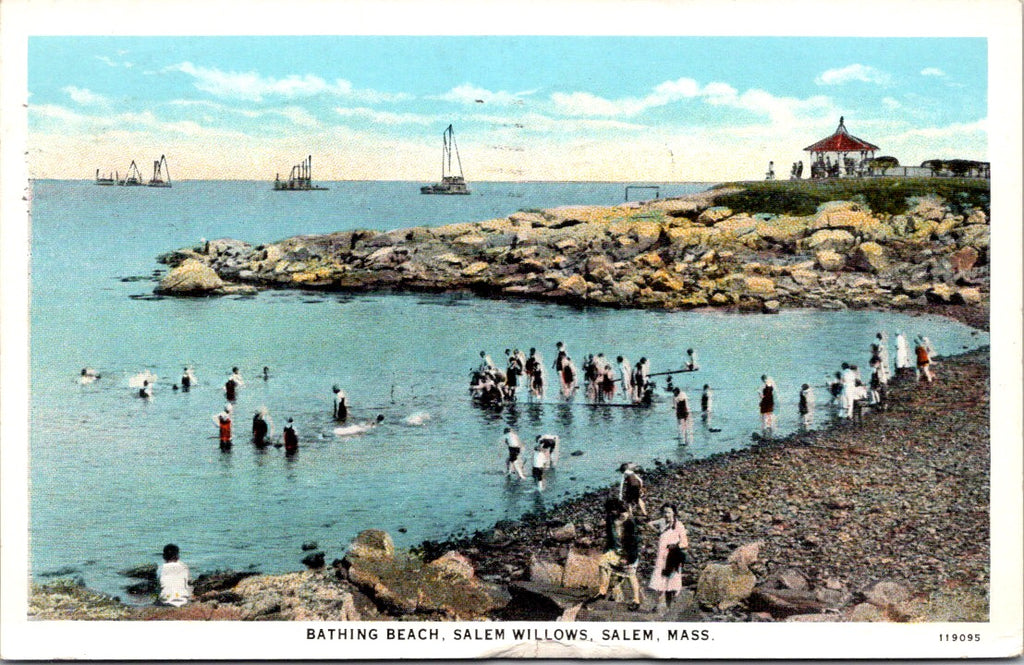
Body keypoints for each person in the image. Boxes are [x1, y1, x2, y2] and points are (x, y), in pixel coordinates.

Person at [597, 498, 642, 610]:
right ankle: (602, 592)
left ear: (617, 510)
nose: (610, 513)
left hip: (628, 552)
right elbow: (610, 535)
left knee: (630, 575)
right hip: (614, 549)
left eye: (612, 511)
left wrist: (627, 557)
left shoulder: (629, 521)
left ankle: (636, 600)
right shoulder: (610, 518)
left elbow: (634, 542)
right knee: (602, 564)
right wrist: (607, 548)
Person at [647, 503, 689, 612]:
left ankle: (669, 607)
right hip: (661, 556)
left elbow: (685, 542)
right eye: (665, 512)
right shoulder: (661, 521)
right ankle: (659, 605)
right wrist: (658, 532)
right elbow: (650, 523)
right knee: (660, 580)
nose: (666, 515)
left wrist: (675, 545)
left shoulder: (679, 525)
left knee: (671, 581)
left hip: (672, 556)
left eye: (669, 512)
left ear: (674, 513)